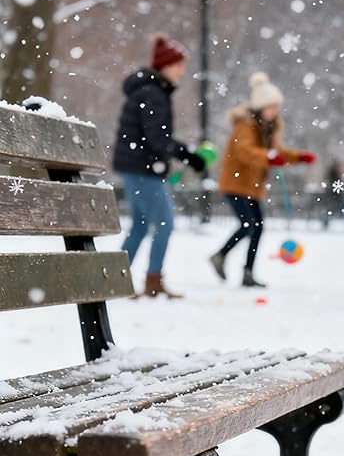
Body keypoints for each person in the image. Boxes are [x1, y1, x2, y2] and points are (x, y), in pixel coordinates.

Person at [113, 34, 206, 298]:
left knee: (141, 226)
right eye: (177, 65)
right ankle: (153, 281)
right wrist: (188, 155)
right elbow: (156, 138)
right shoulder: (153, 93)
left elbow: (154, 137)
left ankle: (118, 280)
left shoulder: (149, 91)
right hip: (143, 168)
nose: (181, 72)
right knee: (164, 224)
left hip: (138, 166)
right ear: (164, 65)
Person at [209, 73, 316, 287]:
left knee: (257, 227)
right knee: (249, 224)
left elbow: (276, 152)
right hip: (235, 183)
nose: (275, 111)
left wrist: (297, 157)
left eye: (277, 107)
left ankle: (247, 272)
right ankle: (220, 255)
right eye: (272, 107)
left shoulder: (268, 128)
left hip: (252, 185)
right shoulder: (245, 126)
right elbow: (245, 151)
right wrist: (268, 157)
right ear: (261, 107)